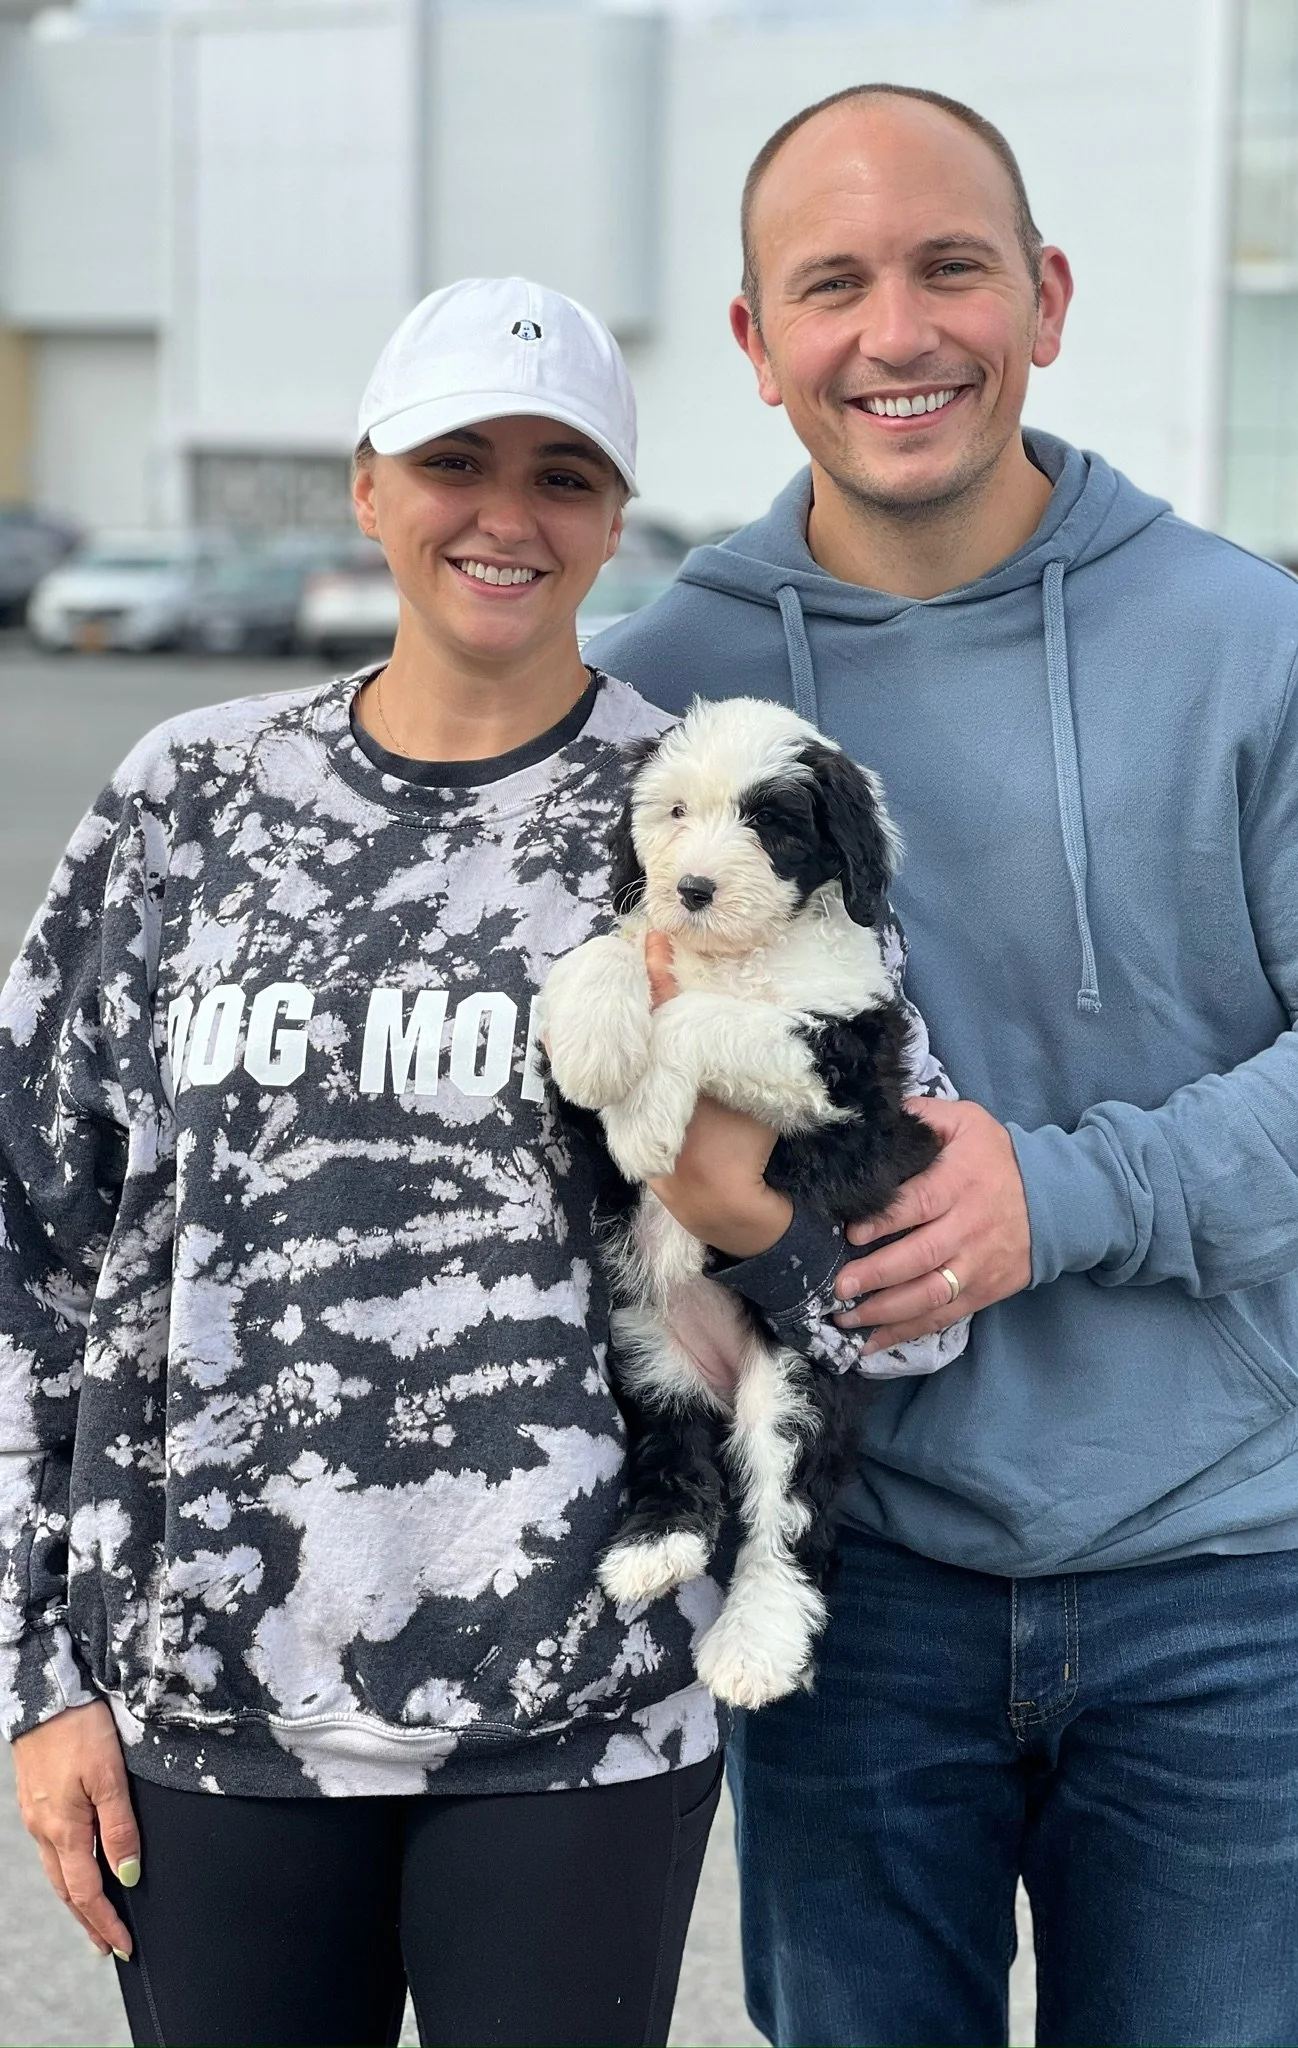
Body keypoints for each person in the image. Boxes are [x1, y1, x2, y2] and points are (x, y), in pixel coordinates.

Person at [586, 84, 1298, 2048]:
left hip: (1220, 1589)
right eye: (831, 284)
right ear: (756, 344)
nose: (896, 331)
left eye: (951, 269)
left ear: (1048, 298)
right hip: (860, 1590)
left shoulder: (1245, 640)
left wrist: (1060, 1195)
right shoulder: (673, 675)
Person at [0, 274, 964, 2048]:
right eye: (458, 459)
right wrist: (39, 1675)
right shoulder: (186, 796)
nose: (506, 514)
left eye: (563, 473)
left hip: (578, 1717)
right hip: (208, 1708)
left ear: (613, 517)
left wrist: (752, 1221)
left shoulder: (708, 812)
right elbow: (28, 1248)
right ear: (368, 486)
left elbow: (913, 1292)